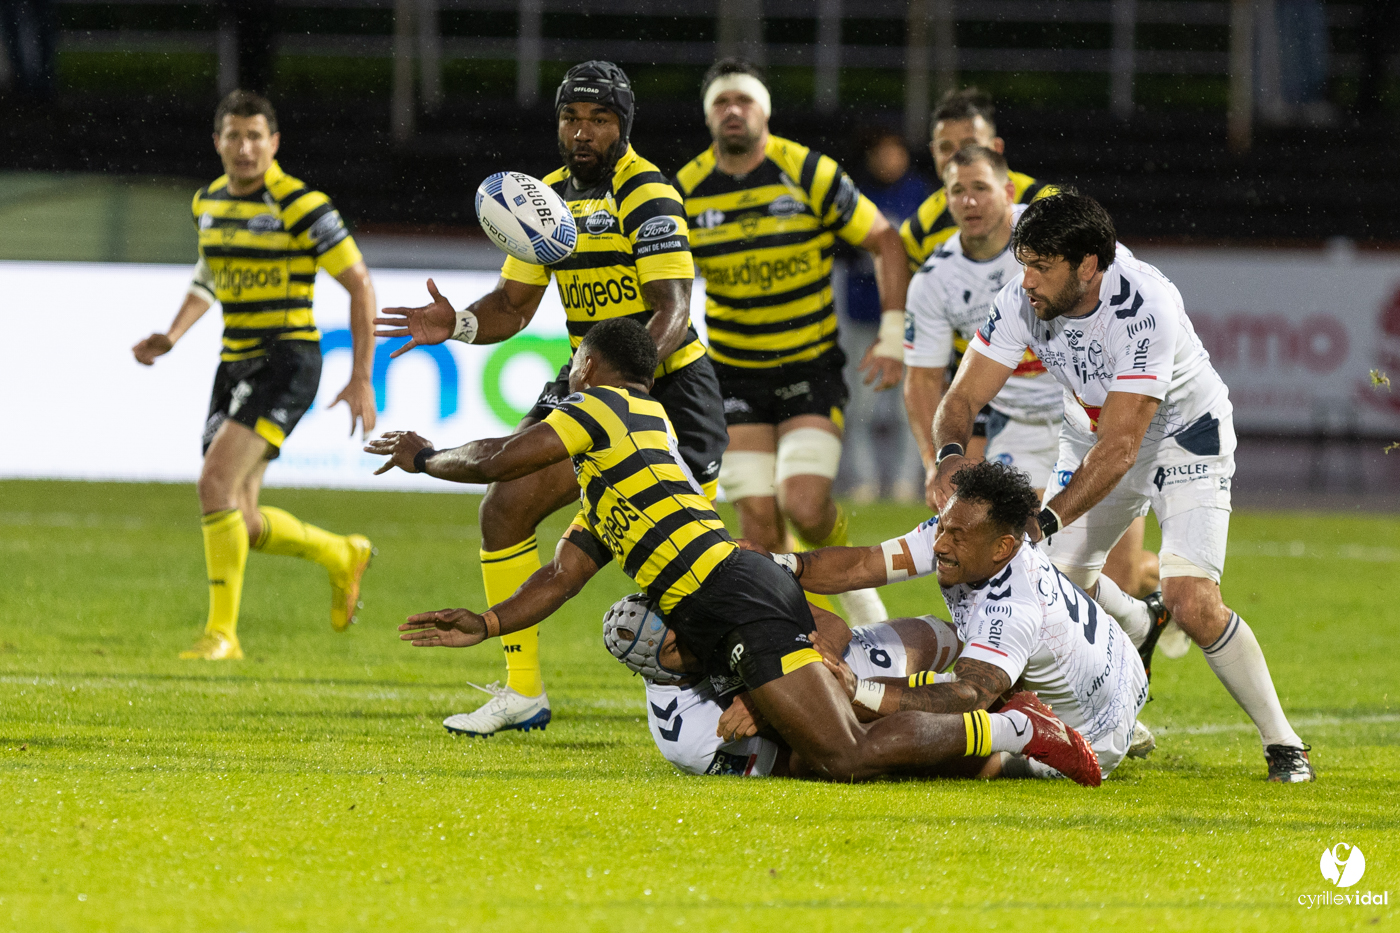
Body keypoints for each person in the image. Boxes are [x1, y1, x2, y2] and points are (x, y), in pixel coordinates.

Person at [367, 318, 1101, 786]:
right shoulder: (614, 478)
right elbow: (560, 577)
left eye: (575, 364)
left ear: (588, 367)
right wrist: (491, 623)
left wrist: (425, 455)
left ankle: (1014, 727)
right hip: (727, 598)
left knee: (843, 753)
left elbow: (501, 456)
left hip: (733, 595)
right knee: (827, 753)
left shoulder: (612, 406)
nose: (568, 377)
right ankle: (1001, 731)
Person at [374, 61, 728, 737]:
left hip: (669, 389)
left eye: (599, 119)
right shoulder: (546, 200)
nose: (583, 131)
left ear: (624, 125)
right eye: (571, 117)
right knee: (504, 505)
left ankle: (731, 691)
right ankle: (522, 691)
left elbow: (673, 310)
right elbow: (512, 305)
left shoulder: (646, 190)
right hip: (588, 378)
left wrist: (628, 395)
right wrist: (458, 325)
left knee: (679, 563)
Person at [928, 191, 1316, 782]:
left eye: (1041, 267)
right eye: (1023, 263)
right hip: (1093, 435)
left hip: (1185, 439)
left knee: (1192, 602)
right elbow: (961, 397)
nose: (1025, 281)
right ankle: (1137, 629)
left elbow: (1123, 449)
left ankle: (1284, 743)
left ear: (1088, 266)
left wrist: (1046, 518)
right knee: (1048, 582)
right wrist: (949, 457)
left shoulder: (1144, 305)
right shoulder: (1021, 299)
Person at [131, 90, 377, 660]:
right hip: (234, 361)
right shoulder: (208, 203)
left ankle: (222, 634)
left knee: (212, 485)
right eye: (233, 136)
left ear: (274, 143)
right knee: (238, 515)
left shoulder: (301, 205)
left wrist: (362, 374)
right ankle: (341, 553)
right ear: (217, 142)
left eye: (255, 136)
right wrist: (172, 335)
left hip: (287, 359)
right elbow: (210, 275)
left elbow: (359, 283)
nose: (244, 148)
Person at [671, 59, 911, 626]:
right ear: (709, 117)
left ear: (765, 110)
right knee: (757, 529)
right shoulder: (685, 191)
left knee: (804, 504)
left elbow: (886, 241)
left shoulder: (808, 172)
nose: (733, 110)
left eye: (744, 100)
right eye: (721, 102)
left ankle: (863, 604)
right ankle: (797, 644)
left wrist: (894, 334)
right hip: (734, 374)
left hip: (809, 366)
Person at [775, 460, 1149, 782]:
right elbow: (861, 564)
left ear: (1002, 547)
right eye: (942, 528)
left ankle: (1024, 728)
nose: (939, 545)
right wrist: (782, 564)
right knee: (865, 709)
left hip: (1091, 735)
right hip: (1116, 668)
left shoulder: (1010, 608)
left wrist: (860, 691)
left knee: (881, 750)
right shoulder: (966, 532)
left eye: (956, 536)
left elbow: (968, 697)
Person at [903, 145, 1161, 602]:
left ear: (1007, 190)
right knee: (1024, 569)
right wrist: (935, 463)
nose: (969, 201)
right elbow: (924, 382)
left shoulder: (1055, 234)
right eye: (956, 191)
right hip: (1015, 425)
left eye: (980, 188)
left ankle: (1159, 593)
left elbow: (1118, 280)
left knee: (1118, 580)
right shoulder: (934, 279)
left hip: (1087, 419)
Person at [604, 594, 961, 777]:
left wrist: (766, 697)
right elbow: (799, 763)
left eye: (684, 631)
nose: (691, 642)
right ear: (649, 668)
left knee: (965, 640)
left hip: (856, 654)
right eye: (673, 649)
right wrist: (782, 703)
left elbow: (834, 625)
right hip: (849, 717)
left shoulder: (714, 603)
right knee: (968, 732)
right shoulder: (686, 737)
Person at [839, 129, 929, 503]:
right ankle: (862, 481)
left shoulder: (923, 196)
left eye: (896, 150)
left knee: (915, 402)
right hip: (864, 314)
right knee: (857, 404)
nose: (890, 159)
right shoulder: (856, 196)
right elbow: (838, 250)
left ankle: (908, 482)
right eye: (882, 151)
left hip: (915, 316)